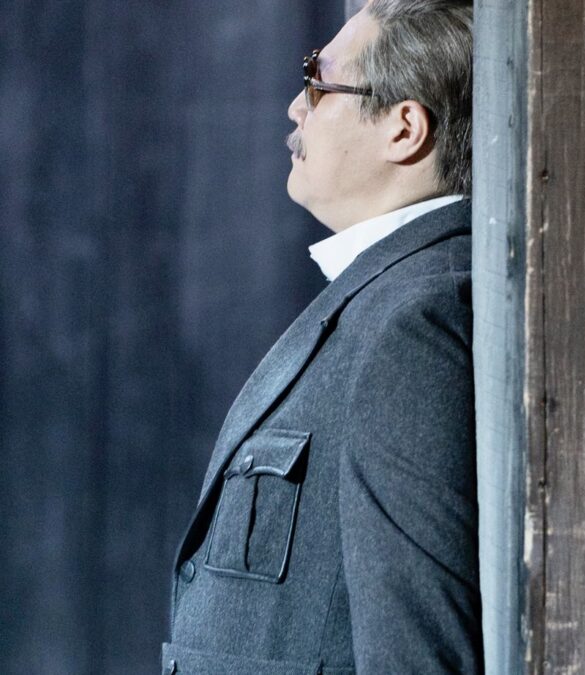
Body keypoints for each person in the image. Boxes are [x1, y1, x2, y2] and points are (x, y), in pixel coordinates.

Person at [162, 1, 481, 673]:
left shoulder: (415, 321)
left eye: (318, 81)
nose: (294, 108)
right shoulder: (388, 297)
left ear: (403, 128)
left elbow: (419, 653)